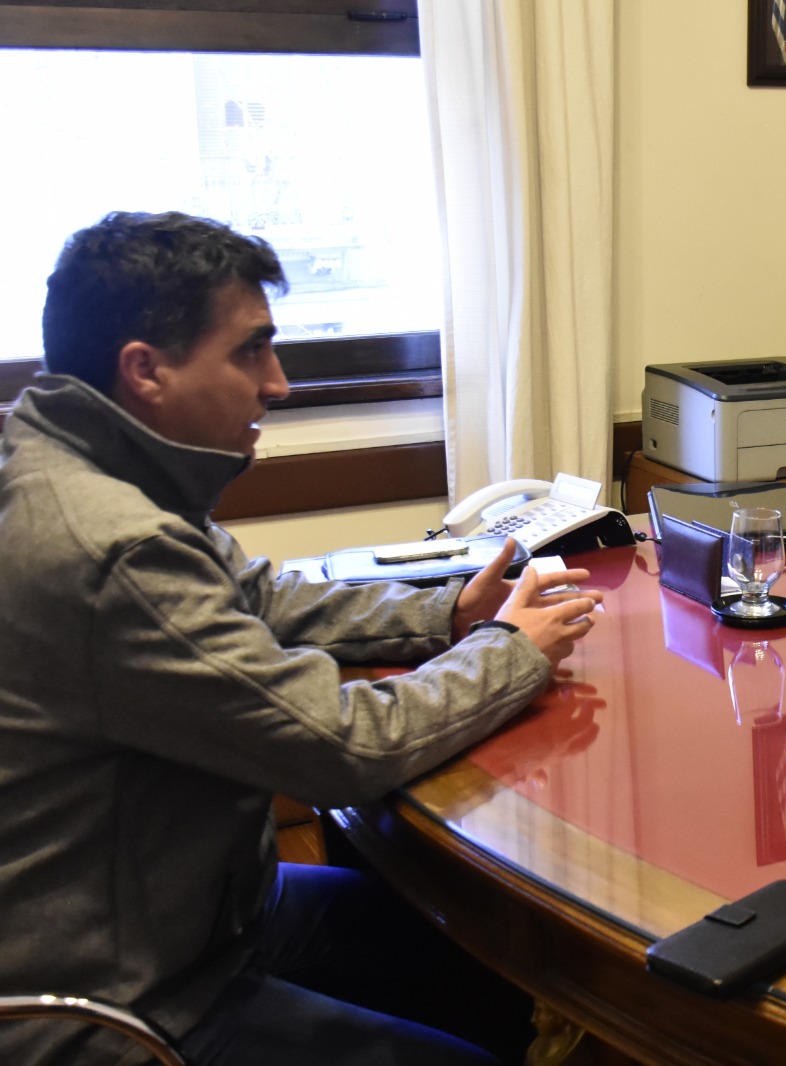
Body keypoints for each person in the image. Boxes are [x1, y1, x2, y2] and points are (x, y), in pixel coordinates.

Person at [0, 211, 604, 1065]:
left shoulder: (81, 464)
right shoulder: (110, 545)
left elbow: (256, 596)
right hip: (116, 998)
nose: (278, 384)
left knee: (470, 956)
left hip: (179, 915)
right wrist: (509, 652)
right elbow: (340, 746)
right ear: (146, 371)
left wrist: (446, 616)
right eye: (251, 350)